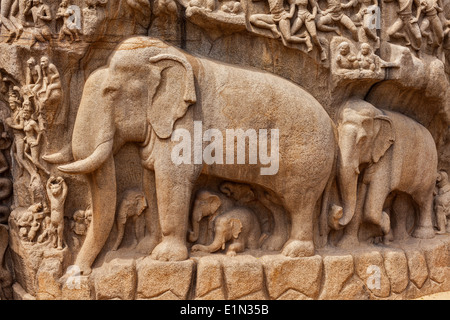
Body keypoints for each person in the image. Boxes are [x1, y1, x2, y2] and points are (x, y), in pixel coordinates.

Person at [46, 176, 68, 250]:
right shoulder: (52, 198)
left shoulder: (61, 198)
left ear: (60, 188)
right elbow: (48, 188)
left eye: (56, 188)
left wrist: (62, 181)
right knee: (52, 232)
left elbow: (65, 189)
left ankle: (59, 244)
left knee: (59, 233)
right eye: (53, 188)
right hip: (53, 220)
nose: (54, 190)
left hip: (59, 221)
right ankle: (54, 243)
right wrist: (49, 181)